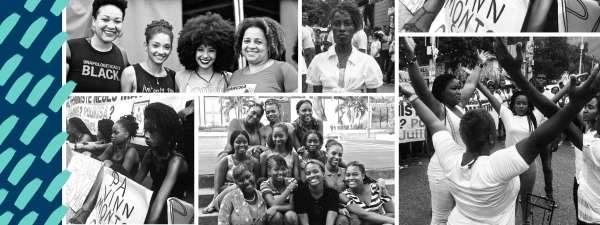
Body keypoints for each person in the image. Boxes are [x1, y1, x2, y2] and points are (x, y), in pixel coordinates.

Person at [399, 63, 600, 224]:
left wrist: (412, 96)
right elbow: (540, 137)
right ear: (493, 139)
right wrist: (577, 103)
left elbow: (433, 123)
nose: (460, 90)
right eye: (455, 88)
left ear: (463, 133)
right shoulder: (498, 166)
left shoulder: (449, 157)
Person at [401, 36, 490, 225]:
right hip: (441, 169)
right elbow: (421, 88)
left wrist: (479, 65)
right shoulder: (439, 109)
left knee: (460, 214)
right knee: (441, 217)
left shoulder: (460, 104)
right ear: (441, 92)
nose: (459, 92)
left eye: (458, 88)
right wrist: (411, 56)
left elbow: (471, 84)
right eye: (454, 89)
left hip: (462, 167)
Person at [478, 86, 539, 225]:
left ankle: (527, 221)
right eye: (518, 103)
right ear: (513, 104)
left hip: (529, 164)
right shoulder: (507, 114)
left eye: (524, 103)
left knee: (526, 197)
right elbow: (491, 97)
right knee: (511, 196)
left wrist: (569, 87)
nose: (521, 106)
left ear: (528, 105)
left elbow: (554, 101)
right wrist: (478, 84)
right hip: (509, 163)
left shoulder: (536, 116)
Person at [69, 115, 140, 223]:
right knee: (88, 155)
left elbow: (121, 177)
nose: (112, 135)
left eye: (116, 133)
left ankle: (87, 207)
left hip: (124, 191)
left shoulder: (131, 152)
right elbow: (99, 160)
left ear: (126, 135)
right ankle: (76, 196)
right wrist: (88, 155)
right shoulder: (112, 147)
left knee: (107, 163)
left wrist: (106, 164)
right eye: (112, 132)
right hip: (109, 186)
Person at [133, 102, 191, 224]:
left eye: (152, 131)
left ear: (166, 132)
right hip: (154, 200)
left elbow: (161, 201)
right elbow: (134, 185)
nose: (146, 135)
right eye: (146, 130)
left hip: (173, 209)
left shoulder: (176, 161)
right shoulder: (150, 154)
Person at [308, 2, 382, 93]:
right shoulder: (318, 61)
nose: (342, 28)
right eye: (337, 24)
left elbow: (371, 100)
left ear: (355, 28)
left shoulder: (368, 63)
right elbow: (317, 100)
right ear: (332, 28)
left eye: (347, 24)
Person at [66, 0, 129, 92]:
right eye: (105, 19)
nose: (111, 26)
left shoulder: (122, 55)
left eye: (117, 21)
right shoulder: (71, 48)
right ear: (94, 21)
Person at [229, 17, 297, 93]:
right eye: (247, 41)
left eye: (258, 42)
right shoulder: (234, 76)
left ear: (269, 45)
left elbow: (297, 101)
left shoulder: (284, 70)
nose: (251, 46)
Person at [203, 130, 260, 214]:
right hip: (227, 194)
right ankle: (215, 203)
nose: (242, 145)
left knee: (244, 184)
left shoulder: (254, 162)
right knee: (238, 185)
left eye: (245, 142)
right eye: (238, 142)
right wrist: (215, 198)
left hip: (247, 195)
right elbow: (218, 188)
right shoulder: (225, 161)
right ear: (232, 144)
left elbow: (256, 184)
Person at [175, 13, 235, 93]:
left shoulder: (228, 78)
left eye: (211, 50)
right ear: (192, 51)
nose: (205, 55)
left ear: (220, 52)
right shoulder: (180, 77)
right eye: (200, 49)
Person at [121, 20, 177, 92]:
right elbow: (122, 103)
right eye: (155, 46)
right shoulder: (130, 73)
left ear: (171, 49)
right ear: (146, 46)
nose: (161, 51)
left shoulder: (174, 77)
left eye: (166, 47)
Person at [294, 159, 344, 225]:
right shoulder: (300, 194)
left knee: (342, 219)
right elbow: (305, 223)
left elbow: (329, 223)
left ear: (323, 173)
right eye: (308, 173)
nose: (312, 175)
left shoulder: (332, 193)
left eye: (315, 171)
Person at [579, 96, 600, 224]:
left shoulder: (593, 144)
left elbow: (558, 113)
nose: (585, 110)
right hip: (582, 186)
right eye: (585, 106)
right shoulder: (590, 133)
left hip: (593, 204)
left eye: (590, 107)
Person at [260, 155, 299, 225]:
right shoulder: (265, 184)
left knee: (291, 215)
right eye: (276, 169)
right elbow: (272, 204)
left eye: (283, 169)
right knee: (276, 216)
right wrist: (289, 189)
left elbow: (293, 206)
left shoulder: (291, 181)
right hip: (272, 216)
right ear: (269, 171)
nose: (280, 172)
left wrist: (276, 207)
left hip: (289, 212)